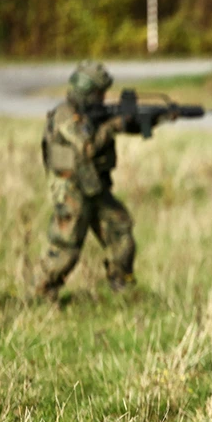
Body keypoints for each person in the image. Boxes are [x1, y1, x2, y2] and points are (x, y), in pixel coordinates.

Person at [34, 60, 136, 300]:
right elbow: (87, 147)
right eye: (99, 93)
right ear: (88, 91)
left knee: (120, 229)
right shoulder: (65, 116)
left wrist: (140, 120)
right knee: (66, 247)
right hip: (71, 189)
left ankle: (121, 286)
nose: (103, 98)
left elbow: (105, 128)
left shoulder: (88, 114)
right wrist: (113, 126)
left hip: (93, 185)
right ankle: (40, 294)